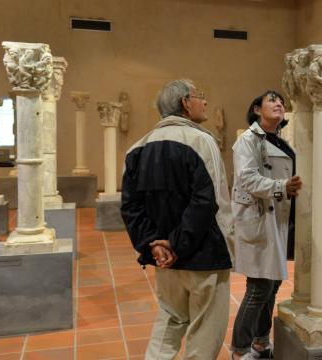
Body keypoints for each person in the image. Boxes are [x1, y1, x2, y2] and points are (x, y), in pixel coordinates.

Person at [121, 79, 234, 360]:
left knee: (170, 316)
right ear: (185, 102)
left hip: (163, 257)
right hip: (203, 252)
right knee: (205, 327)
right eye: (200, 96)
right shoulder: (201, 140)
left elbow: (131, 206)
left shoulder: (138, 147)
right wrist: (178, 244)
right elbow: (208, 201)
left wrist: (154, 245)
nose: (205, 102)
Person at [231, 90, 302, 360]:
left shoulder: (280, 141)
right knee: (258, 287)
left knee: (271, 285)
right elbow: (248, 178)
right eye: (272, 100)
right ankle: (239, 349)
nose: (279, 104)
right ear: (257, 109)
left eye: (281, 101)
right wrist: (281, 186)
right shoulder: (247, 140)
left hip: (280, 219)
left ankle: (261, 343)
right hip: (260, 219)